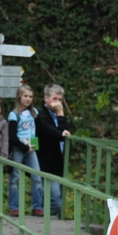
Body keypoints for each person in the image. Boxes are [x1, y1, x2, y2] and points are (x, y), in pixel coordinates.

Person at [36, 84, 72, 216]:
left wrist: (60, 115)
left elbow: (65, 132)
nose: (58, 103)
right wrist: (60, 115)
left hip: (59, 161)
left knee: (55, 199)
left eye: (60, 100)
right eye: (54, 99)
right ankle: (43, 220)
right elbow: (51, 132)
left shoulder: (59, 114)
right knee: (54, 198)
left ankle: (47, 221)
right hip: (45, 160)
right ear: (46, 99)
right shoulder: (40, 115)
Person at [8, 85, 44, 217]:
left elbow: (42, 128)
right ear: (19, 97)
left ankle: (37, 207)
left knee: (37, 176)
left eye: (30, 96)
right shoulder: (14, 114)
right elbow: (12, 136)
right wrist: (24, 147)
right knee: (15, 178)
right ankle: (14, 207)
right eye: (25, 96)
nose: (28, 99)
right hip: (19, 148)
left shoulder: (34, 112)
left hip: (32, 148)